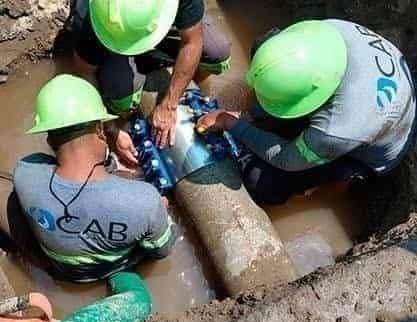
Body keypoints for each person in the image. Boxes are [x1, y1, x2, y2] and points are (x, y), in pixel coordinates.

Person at [197, 20, 417, 205]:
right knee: (264, 47)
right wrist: (249, 114)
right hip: (367, 98)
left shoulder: (337, 129)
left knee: (264, 184)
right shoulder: (327, 33)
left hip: (365, 153)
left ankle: (332, 180)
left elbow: (286, 158)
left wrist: (230, 124)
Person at [12, 74, 176, 283]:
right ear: (100, 130)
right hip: (116, 269)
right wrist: (160, 211)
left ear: (48, 137)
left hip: (61, 270)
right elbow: (163, 251)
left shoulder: (26, 172)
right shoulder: (144, 201)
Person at [67, 0, 231, 152]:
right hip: (116, 34)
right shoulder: (93, 16)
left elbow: (192, 41)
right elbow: (84, 73)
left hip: (157, 20)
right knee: (122, 100)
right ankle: (125, 112)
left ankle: (190, 81)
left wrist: (170, 104)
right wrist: (110, 128)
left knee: (218, 53)